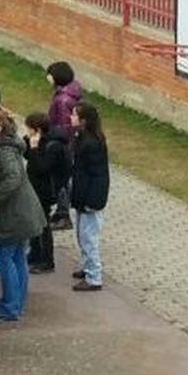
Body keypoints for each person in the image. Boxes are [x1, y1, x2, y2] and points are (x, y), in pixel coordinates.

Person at [0, 112, 47, 322]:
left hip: (14, 214)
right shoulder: (6, 146)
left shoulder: (4, 150)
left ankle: (11, 306)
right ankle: (16, 302)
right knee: (17, 256)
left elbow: (13, 177)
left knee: (5, 256)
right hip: (22, 211)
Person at [70, 103, 110, 292]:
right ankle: (87, 268)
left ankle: (94, 277)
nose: (71, 117)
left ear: (83, 120)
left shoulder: (91, 144)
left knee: (89, 238)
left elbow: (98, 175)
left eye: (74, 115)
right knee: (81, 234)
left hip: (90, 198)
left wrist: (91, 201)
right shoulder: (83, 138)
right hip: (82, 196)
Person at [23, 112, 66, 274]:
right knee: (34, 222)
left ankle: (47, 260)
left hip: (45, 191)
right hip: (33, 188)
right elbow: (26, 155)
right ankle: (35, 253)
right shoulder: (37, 141)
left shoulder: (53, 146)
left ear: (37, 129)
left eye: (29, 129)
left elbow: (42, 168)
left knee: (42, 224)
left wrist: (34, 149)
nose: (27, 132)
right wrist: (28, 144)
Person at [46, 61, 83, 139]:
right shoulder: (73, 88)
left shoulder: (63, 100)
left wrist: (49, 132)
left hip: (60, 137)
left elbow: (64, 125)